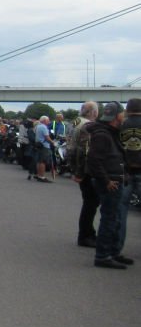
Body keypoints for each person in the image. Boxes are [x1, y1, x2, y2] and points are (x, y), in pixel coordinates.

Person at [89, 102, 130, 269]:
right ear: (117, 116)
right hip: (110, 182)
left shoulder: (109, 132)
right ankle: (103, 255)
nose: (124, 117)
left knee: (115, 219)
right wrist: (106, 180)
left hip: (114, 179)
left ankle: (112, 252)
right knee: (110, 219)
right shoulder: (103, 135)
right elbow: (94, 160)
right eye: (123, 114)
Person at [68, 101, 100, 248]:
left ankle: (87, 233)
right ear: (94, 112)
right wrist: (80, 172)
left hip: (77, 166)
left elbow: (71, 146)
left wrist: (74, 169)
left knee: (89, 203)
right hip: (86, 169)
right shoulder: (88, 126)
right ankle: (86, 235)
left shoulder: (75, 122)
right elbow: (83, 151)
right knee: (90, 204)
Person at [117, 98, 141, 253]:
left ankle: (116, 249)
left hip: (124, 172)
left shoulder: (121, 125)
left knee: (120, 212)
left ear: (127, 109)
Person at [33, 116, 54, 183]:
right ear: (44, 121)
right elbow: (47, 137)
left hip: (39, 144)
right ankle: (42, 176)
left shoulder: (38, 126)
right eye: (48, 120)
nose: (49, 121)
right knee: (43, 162)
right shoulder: (44, 127)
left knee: (39, 161)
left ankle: (38, 175)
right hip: (44, 145)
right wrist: (52, 142)